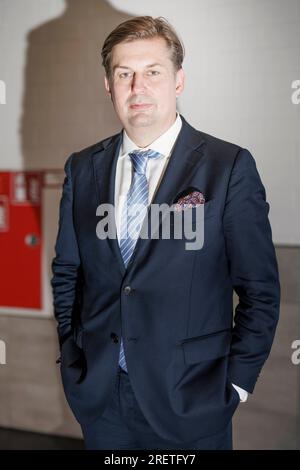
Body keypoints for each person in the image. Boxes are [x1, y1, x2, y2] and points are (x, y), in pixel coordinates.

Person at [51, 16, 280, 450]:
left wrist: (236, 384)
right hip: (102, 402)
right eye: (124, 74)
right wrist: (72, 354)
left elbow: (260, 289)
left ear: (178, 80)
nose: (138, 87)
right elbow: (68, 272)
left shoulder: (227, 167)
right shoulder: (83, 168)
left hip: (192, 399)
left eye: (153, 72)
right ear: (108, 85)